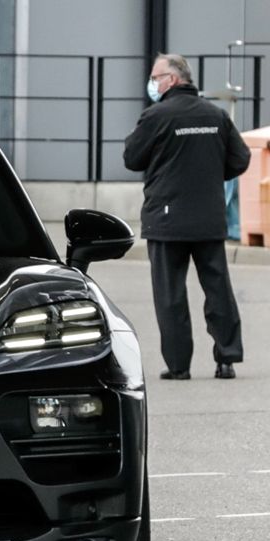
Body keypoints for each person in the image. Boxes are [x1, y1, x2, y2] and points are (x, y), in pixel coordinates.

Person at [124, 53, 250, 380]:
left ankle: (179, 366)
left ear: (172, 80)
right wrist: (208, 174)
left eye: (156, 77)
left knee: (171, 296)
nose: (152, 82)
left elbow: (132, 158)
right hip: (208, 218)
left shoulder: (155, 116)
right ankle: (227, 359)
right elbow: (240, 159)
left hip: (167, 221)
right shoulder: (216, 116)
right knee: (217, 288)